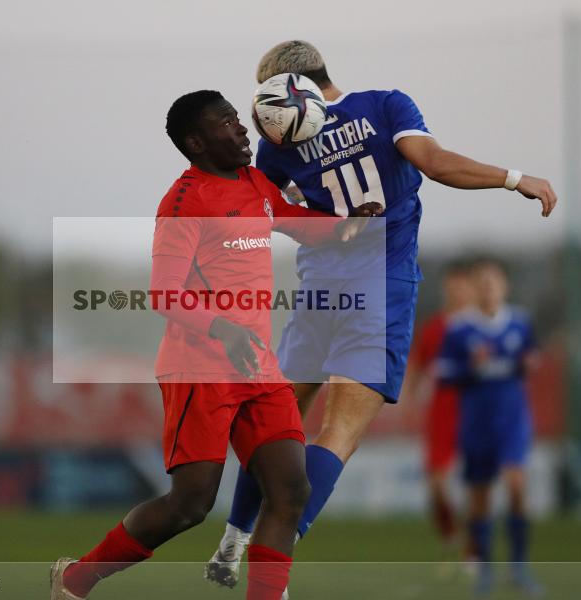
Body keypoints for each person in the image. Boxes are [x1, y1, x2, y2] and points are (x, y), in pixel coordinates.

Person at [205, 40, 557, 590]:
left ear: (284, 89)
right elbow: (435, 165)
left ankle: (232, 542)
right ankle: (279, 542)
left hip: (320, 286)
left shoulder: (277, 150)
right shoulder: (386, 106)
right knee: (337, 432)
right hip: (382, 286)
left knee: (278, 423)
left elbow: (258, 217)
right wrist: (515, 178)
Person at [51, 90, 373, 600]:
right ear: (197, 142)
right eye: (227, 122)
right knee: (190, 506)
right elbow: (162, 293)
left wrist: (347, 226)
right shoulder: (183, 202)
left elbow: (292, 219)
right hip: (200, 368)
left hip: (259, 369)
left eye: (237, 118)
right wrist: (222, 327)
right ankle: (75, 579)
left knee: (290, 490)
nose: (243, 128)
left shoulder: (254, 183)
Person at [438, 258, 543, 597]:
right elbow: (445, 375)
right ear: (474, 289)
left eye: (493, 283)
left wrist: (528, 364)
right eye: (482, 283)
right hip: (477, 424)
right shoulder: (459, 330)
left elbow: (532, 359)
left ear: (504, 287)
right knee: (480, 501)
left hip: (512, 421)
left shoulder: (520, 323)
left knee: (515, 486)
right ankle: (484, 571)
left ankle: (519, 567)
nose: (488, 289)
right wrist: (471, 368)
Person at [403, 259, 476, 561]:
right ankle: (449, 533)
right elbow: (418, 367)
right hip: (442, 410)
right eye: (451, 286)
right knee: (436, 485)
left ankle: (474, 548)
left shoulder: (481, 326)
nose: (456, 292)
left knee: (474, 482)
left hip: (475, 408)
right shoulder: (434, 329)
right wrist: (408, 400)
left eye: (462, 287)